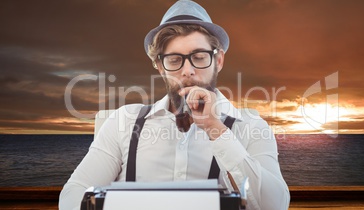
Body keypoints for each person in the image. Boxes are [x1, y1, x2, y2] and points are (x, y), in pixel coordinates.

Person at [59, 0, 290, 209]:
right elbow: (73, 195)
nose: (187, 70)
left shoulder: (250, 125)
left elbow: (275, 205)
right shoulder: (124, 122)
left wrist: (214, 128)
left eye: (199, 57)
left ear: (218, 61)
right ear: (160, 66)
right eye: (174, 60)